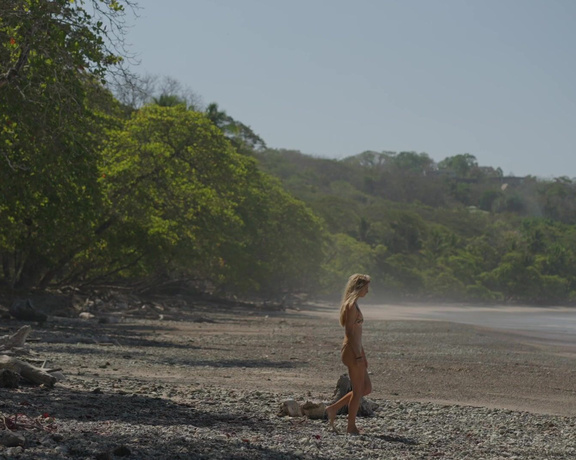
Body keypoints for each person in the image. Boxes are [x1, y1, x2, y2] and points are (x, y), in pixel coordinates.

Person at [325, 274, 372, 435]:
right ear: (359, 287)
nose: (368, 290)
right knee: (359, 391)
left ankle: (333, 408)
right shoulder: (350, 305)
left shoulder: (355, 305)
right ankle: (351, 426)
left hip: (357, 350)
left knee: (366, 388)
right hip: (351, 351)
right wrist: (358, 355)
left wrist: (363, 355)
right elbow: (350, 333)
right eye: (366, 287)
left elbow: (358, 335)